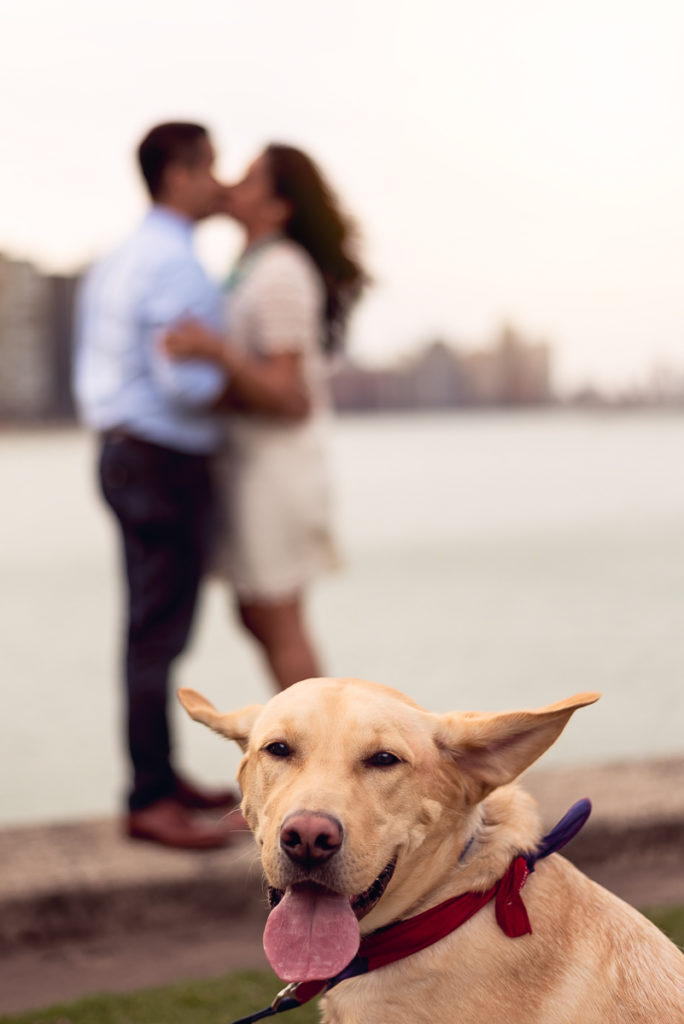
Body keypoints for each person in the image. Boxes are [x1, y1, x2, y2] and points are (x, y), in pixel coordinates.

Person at [73, 122, 242, 850]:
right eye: (211, 168)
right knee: (156, 634)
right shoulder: (175, 264)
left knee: (150, 627)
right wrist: (236, 361)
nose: (219, 183)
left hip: (124, 450)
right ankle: (149, 797)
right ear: (179, 173)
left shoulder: (120, 258)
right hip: (163, 457)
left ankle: (161, 778)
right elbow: (190, 383)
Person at [164, 144, 366, 691]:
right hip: (253, 466)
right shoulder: (253, 265)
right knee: (258, 616)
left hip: (277, 473)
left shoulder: (281, 272)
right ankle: (314, 749)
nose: (233, 183)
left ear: (278, 208)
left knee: (278, 620)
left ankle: (323, 755)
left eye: (251, 179)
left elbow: (289, 394)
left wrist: (216, 353)